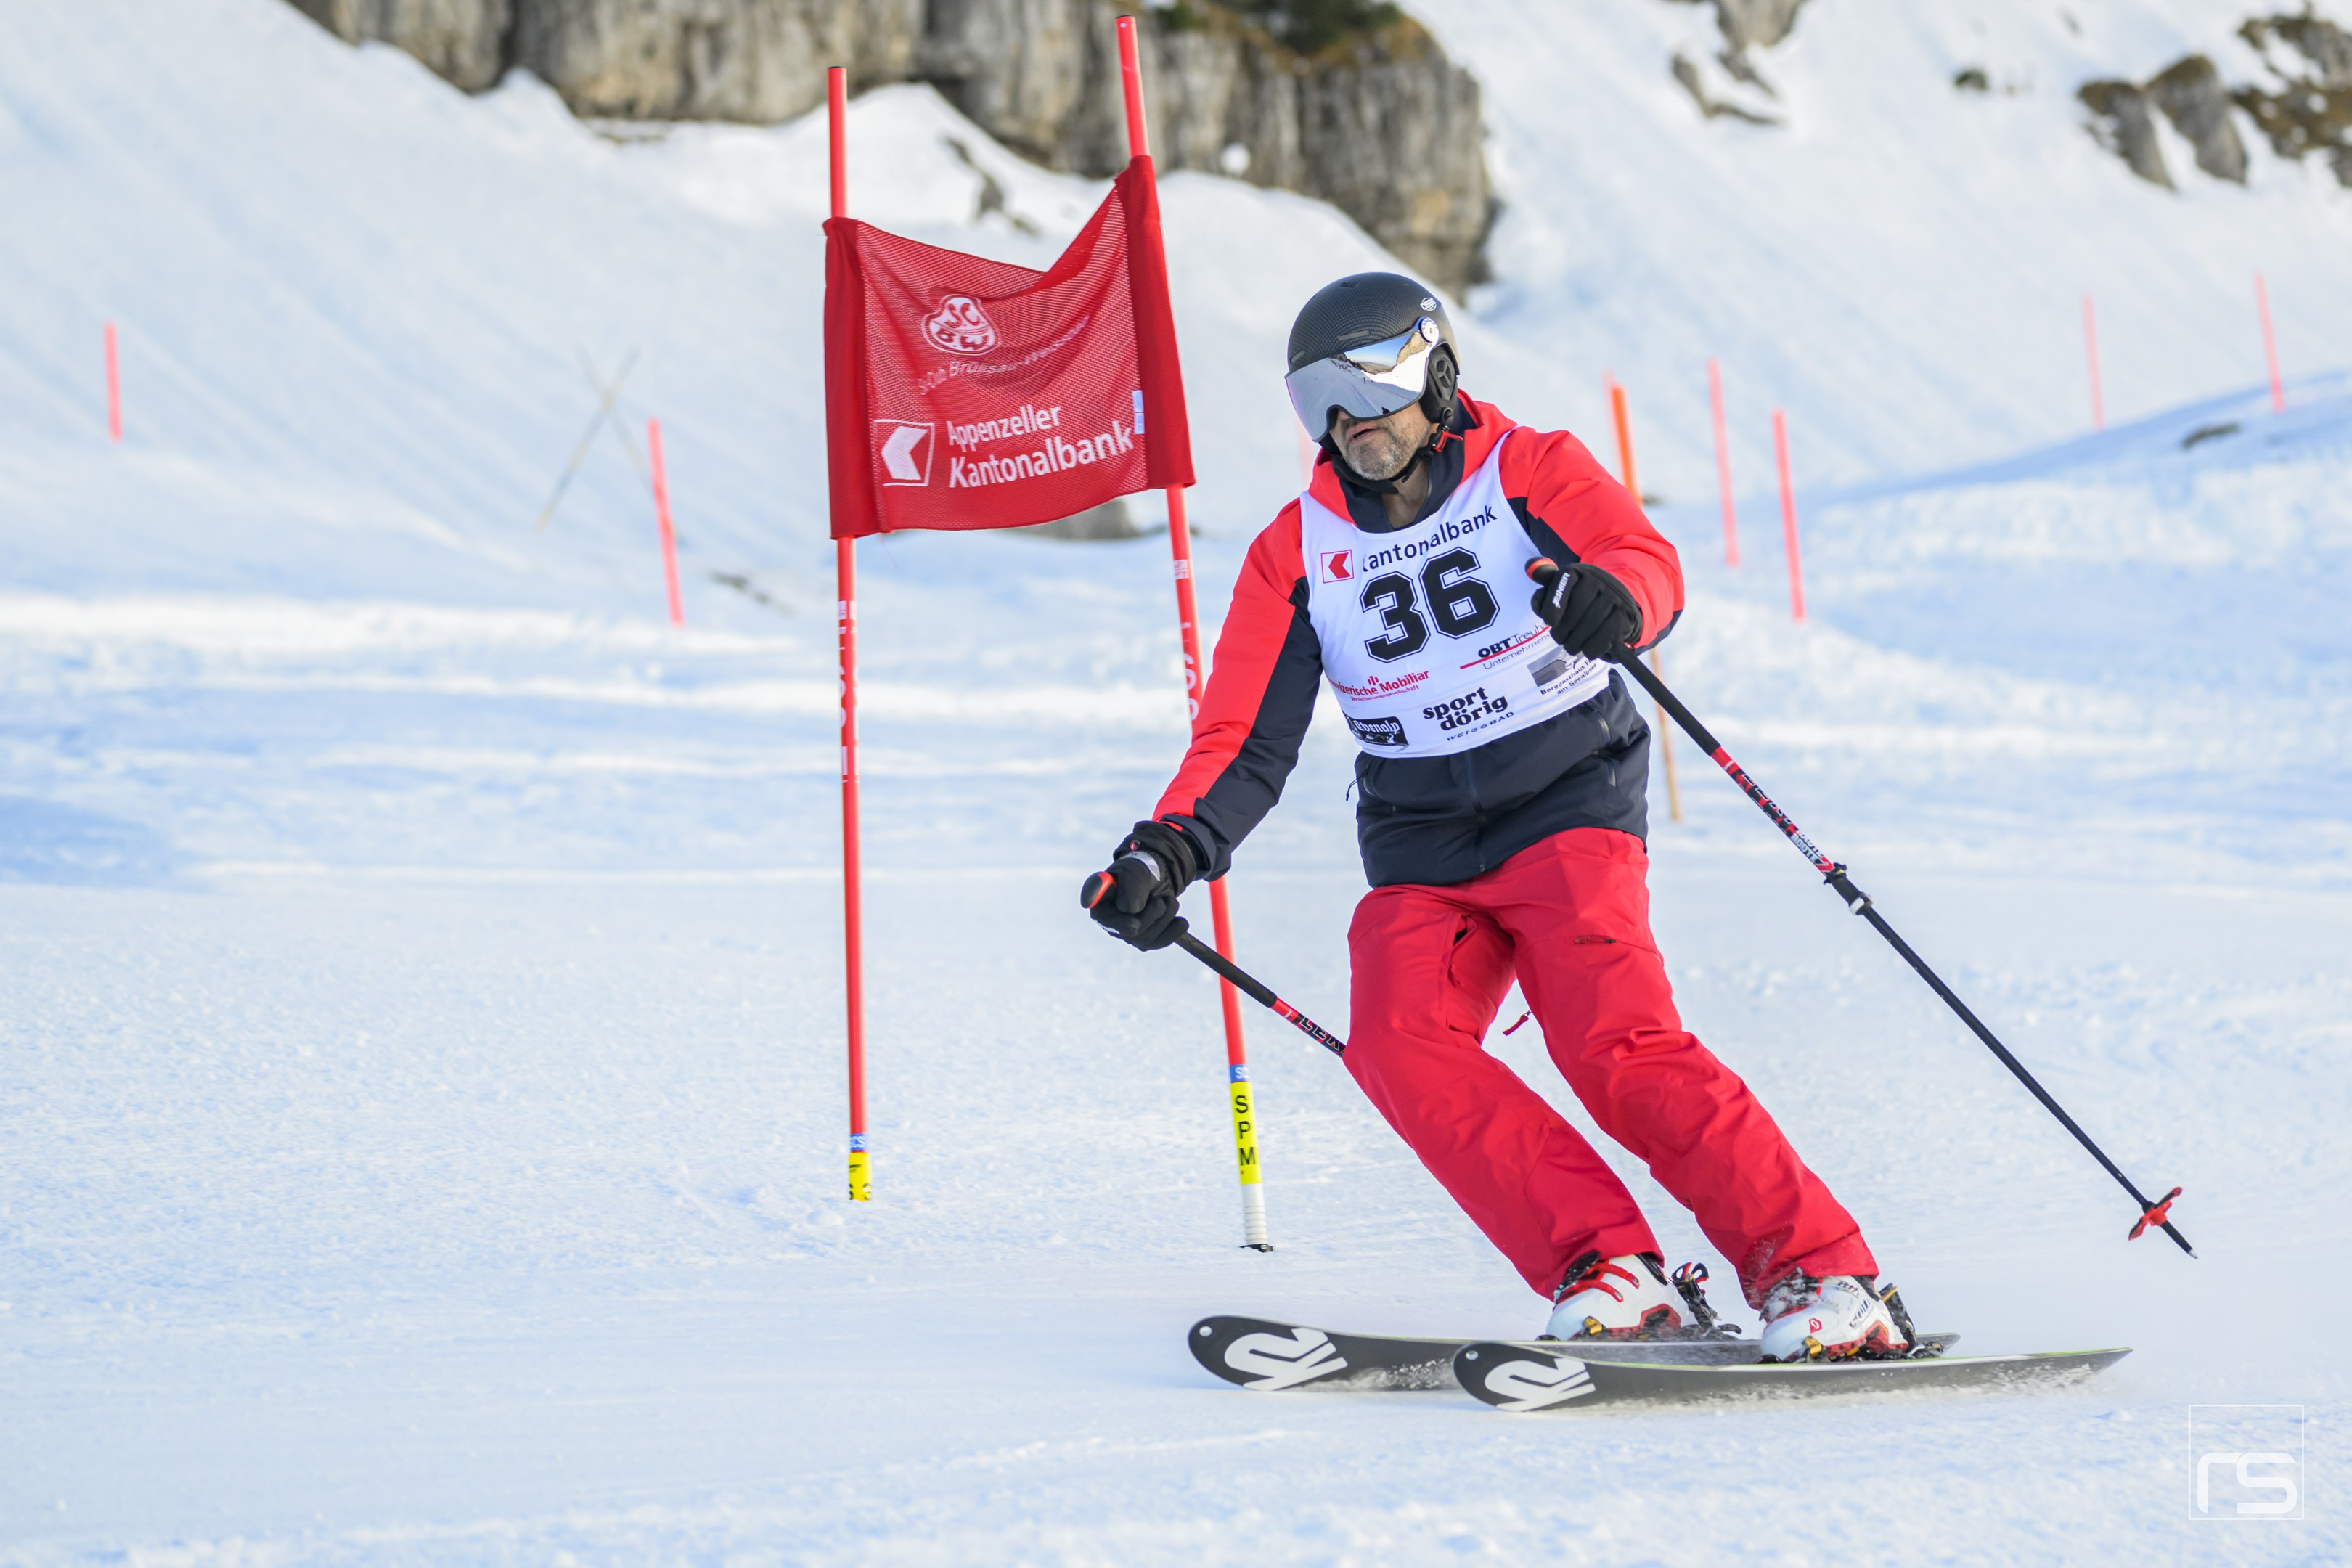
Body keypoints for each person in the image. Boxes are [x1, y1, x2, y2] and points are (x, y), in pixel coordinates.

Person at [1085, 271, 1913, 1361]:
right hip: (1421, 843)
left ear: (1436, 372)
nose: (1353, 420)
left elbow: (1645, 564)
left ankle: (1824, 1273)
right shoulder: (1297, 552)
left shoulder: (1526, 470)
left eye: (1373, 385)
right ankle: (1610, 1268)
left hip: (1569, 798)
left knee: (1612, 1042)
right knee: (1399, 1044)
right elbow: (1244, 739)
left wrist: (1616, 601)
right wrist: (1168, 850)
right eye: (1321, 400)